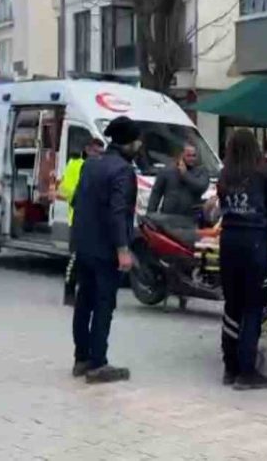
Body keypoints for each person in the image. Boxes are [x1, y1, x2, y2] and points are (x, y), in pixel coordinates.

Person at [70, 117, 140, 384]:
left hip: (84, 245)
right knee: (103, 304)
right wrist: (123, 248)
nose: (140, 144)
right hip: (106, 248)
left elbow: (77, 200)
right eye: (138, 140)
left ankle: (81, 358)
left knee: (84, 302)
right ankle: (98, 363)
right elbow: (118, 211)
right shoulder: (123, 171)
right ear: (129, 142)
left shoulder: (91, 164)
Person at [217, 129, 267, 391]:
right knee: (253, 307)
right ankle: (247, 371)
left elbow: (222, 207)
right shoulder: (261, 173)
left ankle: (229, 367)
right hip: (254, 242)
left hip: (228, 241)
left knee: (232, 306)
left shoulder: (225, 175)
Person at [59, 138, 105, 306]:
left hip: (96, 221)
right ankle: (69, 291)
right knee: (75, 258)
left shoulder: (101, 169)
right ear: (87, 150)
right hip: (77, 219)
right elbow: (67, 190)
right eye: (95, 152)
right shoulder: (75, 164)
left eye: (101, 153)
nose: (98, 156)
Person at [147, 142, 211, 219]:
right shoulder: (167, 171)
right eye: (188, 155)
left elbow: (201, 187)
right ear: (181, 155)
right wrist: (150, 215)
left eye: (194, 156)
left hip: (191, 218)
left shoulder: (201, 172)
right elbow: (156, 194)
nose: (191, 159)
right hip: (168, 218)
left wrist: (185, 175)